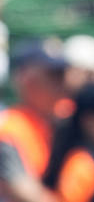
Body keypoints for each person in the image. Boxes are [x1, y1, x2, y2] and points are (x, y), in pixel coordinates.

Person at [0, 40, 71, 202]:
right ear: (25, 79)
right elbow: (27, 194)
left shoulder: (65, 115)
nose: (60, 82)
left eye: (61, 74)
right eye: (52, 75)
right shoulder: (9, 128)